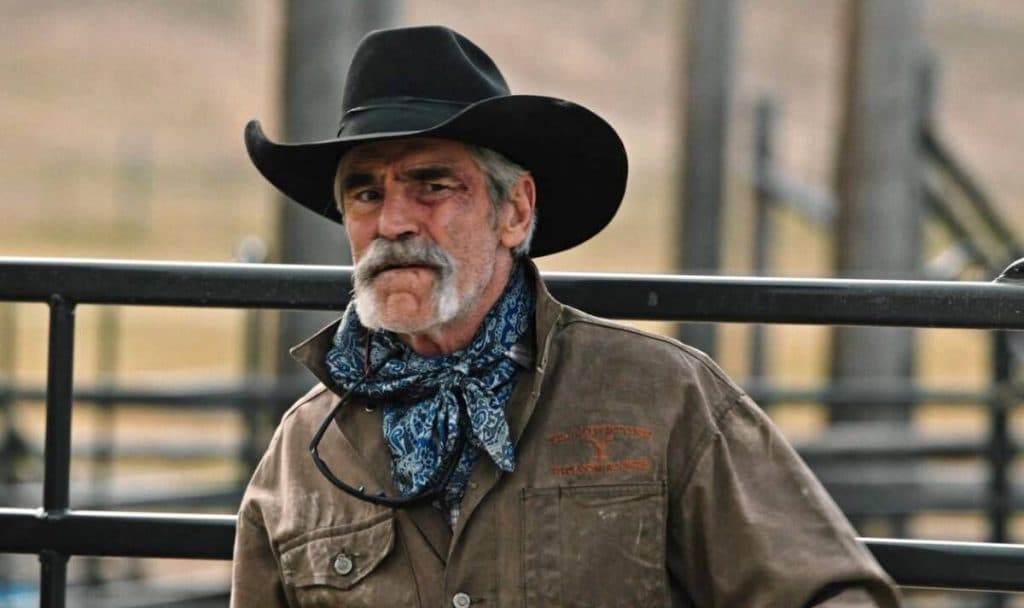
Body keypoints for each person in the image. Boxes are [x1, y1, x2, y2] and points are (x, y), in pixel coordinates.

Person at [231, 25, 900, 607]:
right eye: (365, 193)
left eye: (433, 185)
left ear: (514, 211)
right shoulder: (305, 453)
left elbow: (829, 594)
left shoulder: (659, 398)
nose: (393, 220)